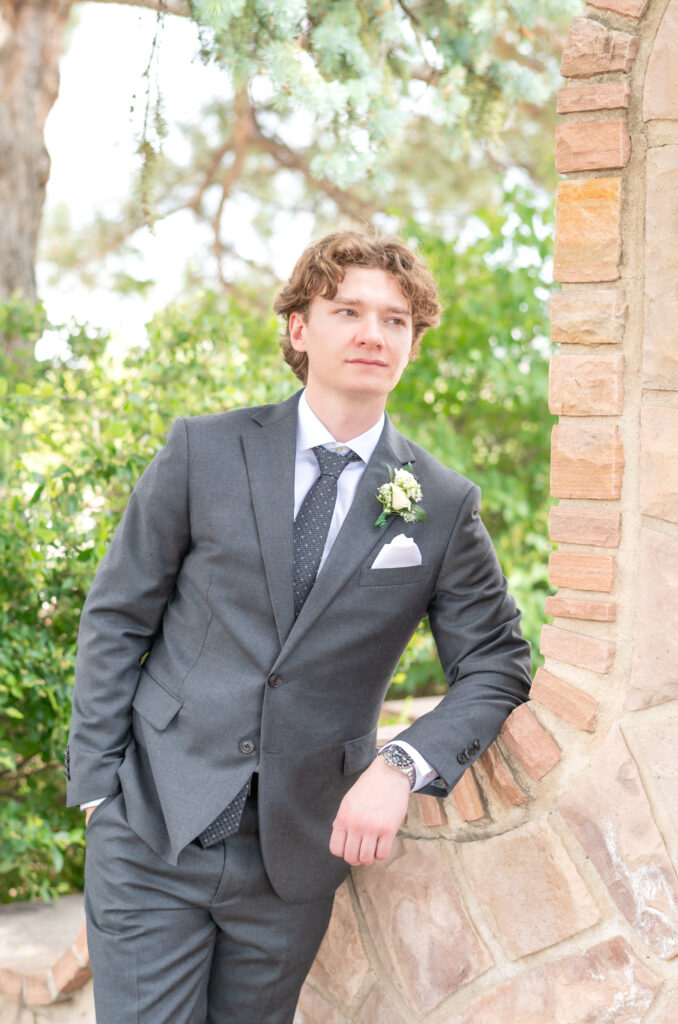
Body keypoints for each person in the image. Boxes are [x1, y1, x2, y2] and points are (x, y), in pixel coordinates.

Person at [66, 230, 531, 1024]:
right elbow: (118, 614)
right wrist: (96, 789)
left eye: (395, 319)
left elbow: (496, 662)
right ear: (298, 328)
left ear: (413, 343)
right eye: (347, 309)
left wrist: (399, 766)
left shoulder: (442, 503)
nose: (371, 333)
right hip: (151, 826)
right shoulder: (203, 451)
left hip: (294, 853)